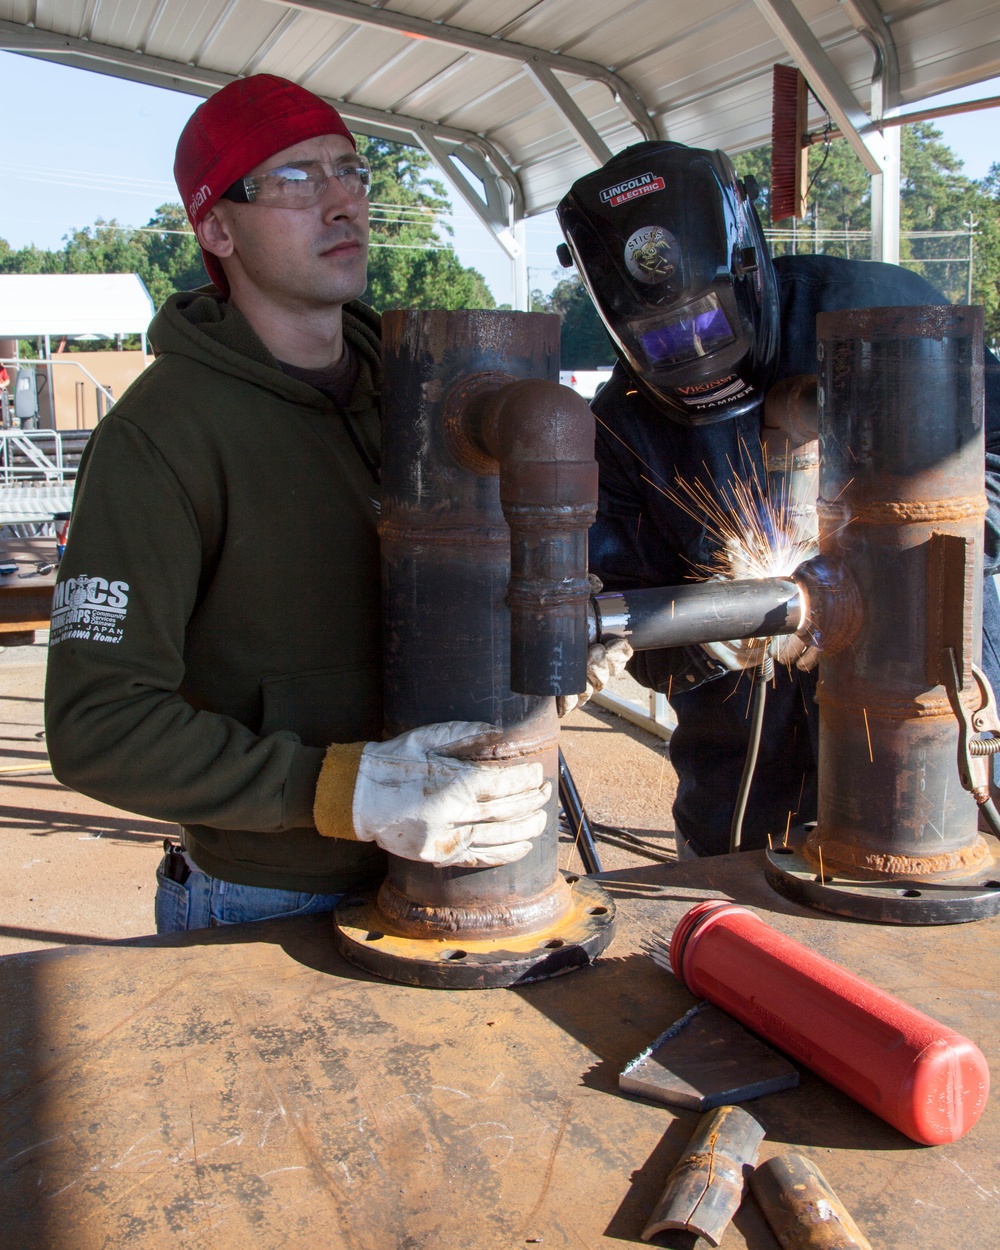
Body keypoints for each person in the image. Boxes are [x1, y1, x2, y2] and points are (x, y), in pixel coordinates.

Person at [43, 74, 550, 931]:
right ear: (216, 227)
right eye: (294, 179)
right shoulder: (162, 436)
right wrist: (343, 792)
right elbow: (99, 726)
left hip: (471, 867)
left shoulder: (420, 395)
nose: (342, 202)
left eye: (348, 170)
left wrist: (568, 626)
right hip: (273, 896)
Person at [555, 140, 1000, 857]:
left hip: (927, 704)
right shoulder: (625, 421)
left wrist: (900, 535)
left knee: (941, 864)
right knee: (739, 902)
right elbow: (637, 627)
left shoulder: (878, 315)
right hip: (740, 762)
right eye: (660, 341)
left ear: (749, 264)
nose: (692, 355)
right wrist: (706, 642)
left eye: (708, 324)